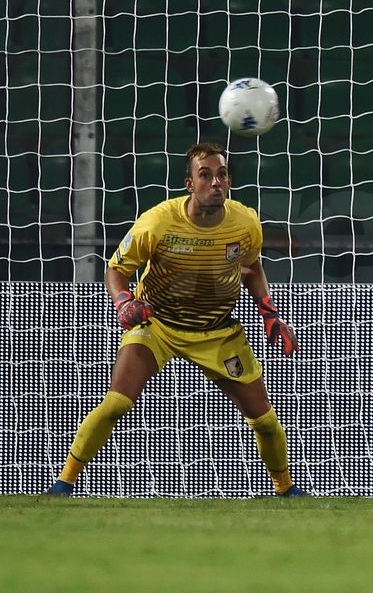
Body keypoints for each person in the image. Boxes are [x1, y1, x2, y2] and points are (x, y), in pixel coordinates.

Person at [46, 143, 306, 497]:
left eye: (222, 175)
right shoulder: (159, 221)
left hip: (217, 331)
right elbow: (115, 270)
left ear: (229, 181)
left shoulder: (245, 222)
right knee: (117, 402)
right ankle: (63, 485)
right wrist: (123, 302)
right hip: (159, 326)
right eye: (206, 175)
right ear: (190, 184)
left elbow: (252, 267)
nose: (216, 182)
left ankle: (286, 490)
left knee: (264, 420)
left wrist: (270, 316)